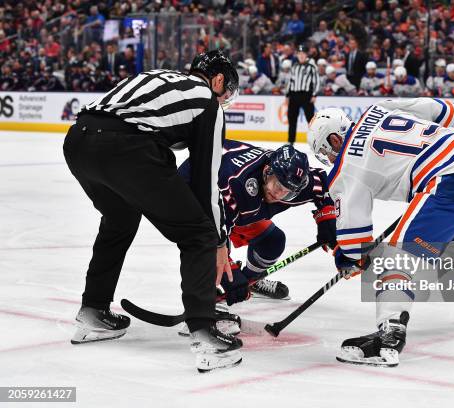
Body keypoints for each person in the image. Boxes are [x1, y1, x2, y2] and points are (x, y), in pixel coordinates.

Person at [63, 49, 242, 373]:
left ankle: (92, 312)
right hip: (125, 148)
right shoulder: (207, 102)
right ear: (218, 80)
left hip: (78, 140)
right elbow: (205, 183)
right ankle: (205, 333)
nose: (225, 98)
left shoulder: (161, 77)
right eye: (227, 90)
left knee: (120, 219)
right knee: (199, 234)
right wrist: (217, 242)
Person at [307, 98, 454, 367]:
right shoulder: (380, 108)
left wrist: (348, 258)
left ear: (335, 140)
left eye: (326, 152)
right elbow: (444, 110)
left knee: (396, 258)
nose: (330, 159)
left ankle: (389, 336)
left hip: (449, 181)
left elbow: (354, 236)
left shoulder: (346, 166)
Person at [177, 141, 336, 306]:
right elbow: (211, 235)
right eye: (278, 185)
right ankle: (202, 308)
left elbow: (324, 186)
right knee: (212, 252)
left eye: (287, 192)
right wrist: (228, 273)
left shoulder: (290, 180)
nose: (279, 194)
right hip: (192, 197)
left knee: (272, 240)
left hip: (231, 207)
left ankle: (251, 281)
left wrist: (327, 218)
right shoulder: (237, 185)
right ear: (267, 171)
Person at [286, 45, 319, 145]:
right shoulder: (294, 66)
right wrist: (287, 95)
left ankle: (315, 141)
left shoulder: (311, 67)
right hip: (294, 95)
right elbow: (290, 81)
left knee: (310, 119)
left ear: (306, 55)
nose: (301, 56)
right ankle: (291, 141)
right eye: (299, 54)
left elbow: (316, 81)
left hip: (306, 95)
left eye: (303, 54)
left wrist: (314, 94)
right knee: (292, 118)